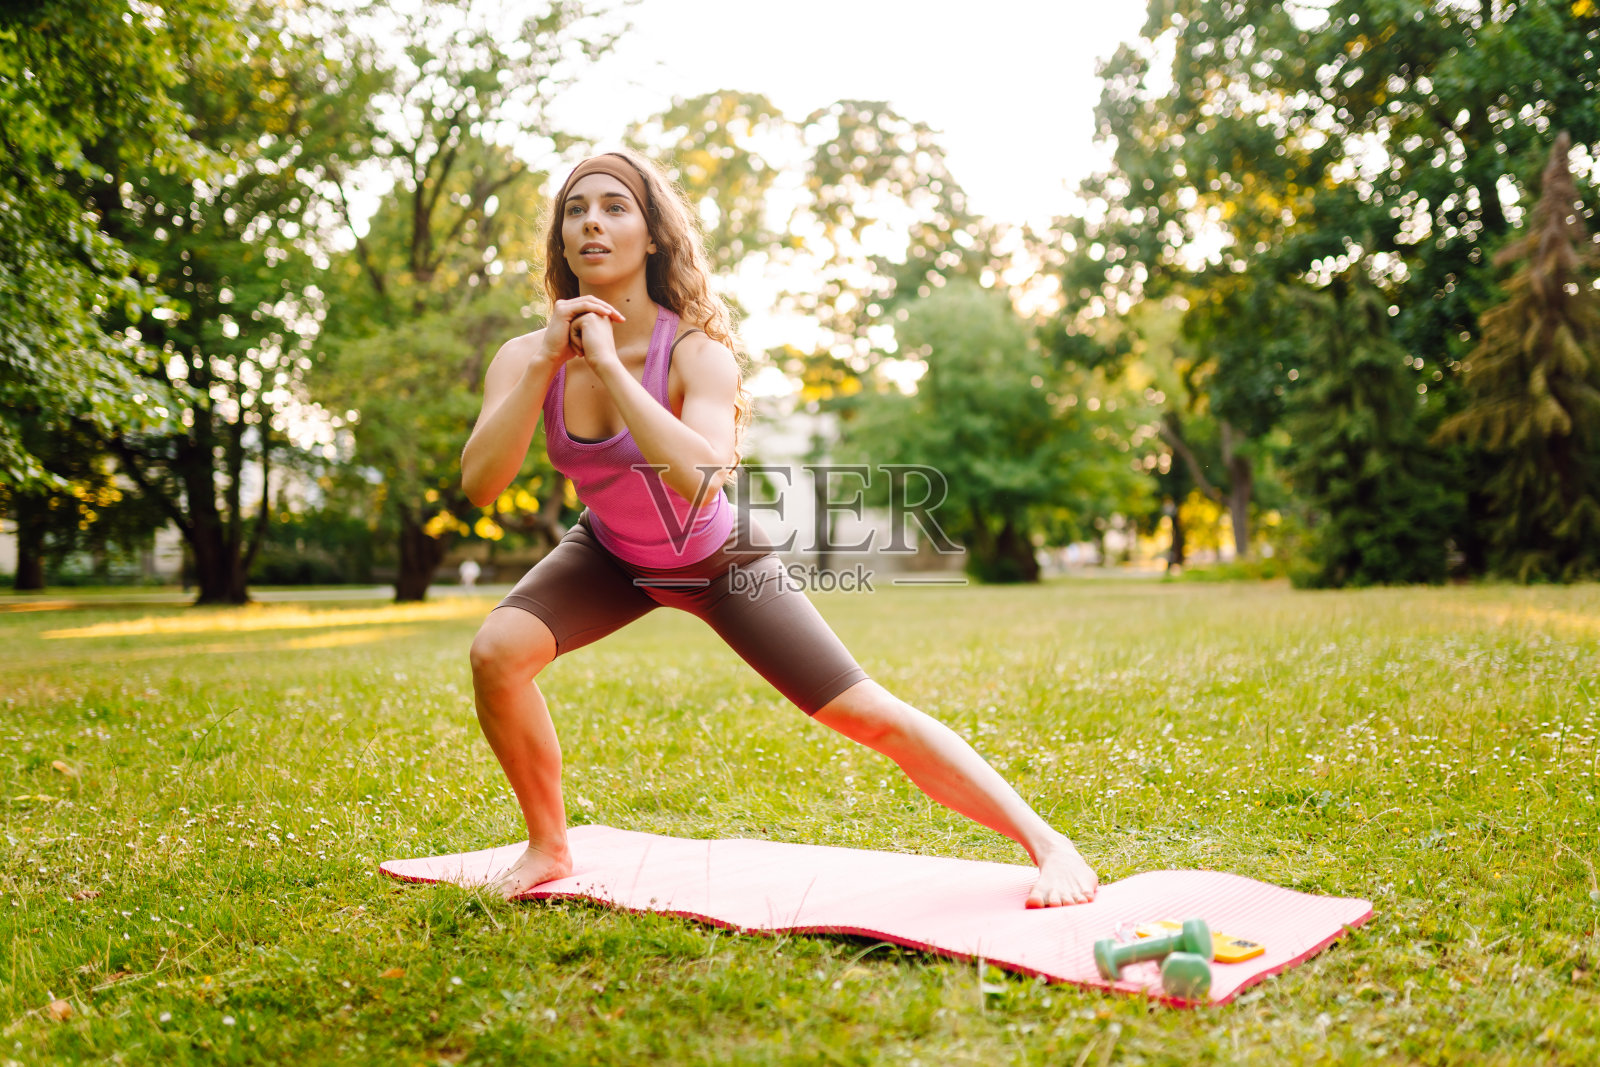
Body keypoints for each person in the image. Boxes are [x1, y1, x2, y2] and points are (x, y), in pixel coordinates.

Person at [459, 149, 1098, 907]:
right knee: (497, 652)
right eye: (575, 209)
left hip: (716, 560)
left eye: (615, 206)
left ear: (652, 235)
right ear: (561, 238)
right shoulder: (524, 356)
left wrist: (611, 365)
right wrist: (544, 362)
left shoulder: (699, 352)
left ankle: (1049, 843)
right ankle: (549, 845)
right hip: (609, 552)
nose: (592, 221)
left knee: (866, 713)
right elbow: (480, 484)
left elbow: (697, 483)